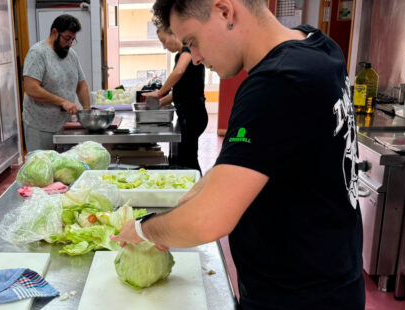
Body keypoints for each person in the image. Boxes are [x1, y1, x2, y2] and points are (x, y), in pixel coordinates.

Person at [111, 0, 365, 309]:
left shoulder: (276, 83)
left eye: (193, 42)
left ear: (225, 11)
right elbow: (242, 163)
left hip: (299, 296)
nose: (196, 58)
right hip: (331, 278)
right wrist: (188, 203)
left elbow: (209, 221)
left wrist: (143, 228)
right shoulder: (316, 45)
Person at [21, 14, 91, 151]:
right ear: (54, 32)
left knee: (65, 168)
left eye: (73, 40)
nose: (70, 43)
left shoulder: (71, 55)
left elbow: (81, 84)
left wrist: (87, 111)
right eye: (67, 38)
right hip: (40, 125)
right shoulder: (38, 53)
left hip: (65, 125)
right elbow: (31, 88)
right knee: (42, 168)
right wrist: (62, 102)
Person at [142, 25, 207, 171]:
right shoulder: (180, 56)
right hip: (186, 115)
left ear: (174, 33)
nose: (164, 47)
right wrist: (158, 103)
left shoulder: (189, 50)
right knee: (181, 158)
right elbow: (179, 91)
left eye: (164, 41)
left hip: (193, 115)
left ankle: (196, 190)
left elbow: (178, 73)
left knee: (188, 161)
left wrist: (159, 92)